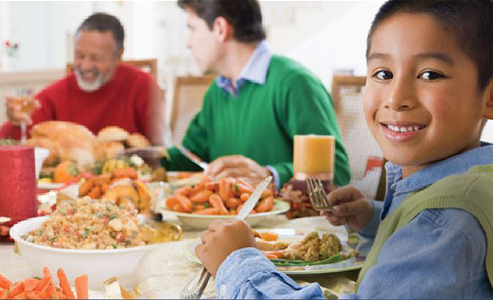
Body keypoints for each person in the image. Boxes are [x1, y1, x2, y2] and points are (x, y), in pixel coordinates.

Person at [196, 0, 493, 298]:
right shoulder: (466, 187)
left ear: (489, 97)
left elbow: (436, 232)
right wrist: (376, 217)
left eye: (430, 75)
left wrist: (238, 263)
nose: (396, 98)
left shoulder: (444, 221)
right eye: (383, 74)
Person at [163, 0, 350, 187]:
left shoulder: (294, 83)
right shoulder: (217, 91)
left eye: (192, 29)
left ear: (220, 28)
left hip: (288, 215)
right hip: (229, 215)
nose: (188, 43)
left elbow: (337, 171)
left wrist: (269, 176)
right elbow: (191, 159)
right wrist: (144, 156)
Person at [0, 13, 165, 145]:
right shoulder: (56, 93)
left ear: (119, 54)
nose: (85, 66)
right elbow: (6, 140)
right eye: (79, 55)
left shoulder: (143, 85)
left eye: (96, 58)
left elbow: (159, 149)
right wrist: (16, 122)